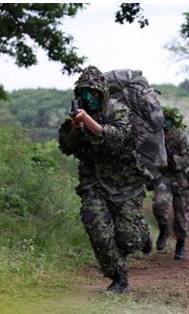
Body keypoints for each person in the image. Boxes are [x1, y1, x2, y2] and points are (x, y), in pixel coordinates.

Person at [58, 66, 152, 294]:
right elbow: (67, 147)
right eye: (83, 92)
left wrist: (90, 123)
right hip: (94, 183)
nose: (88, 97)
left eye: (92, 92)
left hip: (125, 183)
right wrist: (74, 128)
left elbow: (120, 140)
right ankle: (118, 278)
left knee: (130, 239)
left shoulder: (117, 110)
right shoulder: (77, 115)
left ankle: (143, 235)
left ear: (102, 93)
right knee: (97, 227)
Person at [151, 106, 189, 260]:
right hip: (163, 177)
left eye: (169, 121)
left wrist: (176, 162)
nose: (166, 124)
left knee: (181, 214)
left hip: (180, 179)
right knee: (159, 205)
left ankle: (180, 244)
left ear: (174, 122)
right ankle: (163, 230)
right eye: (164, 120)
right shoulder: (156, 136)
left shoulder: (180, 136)